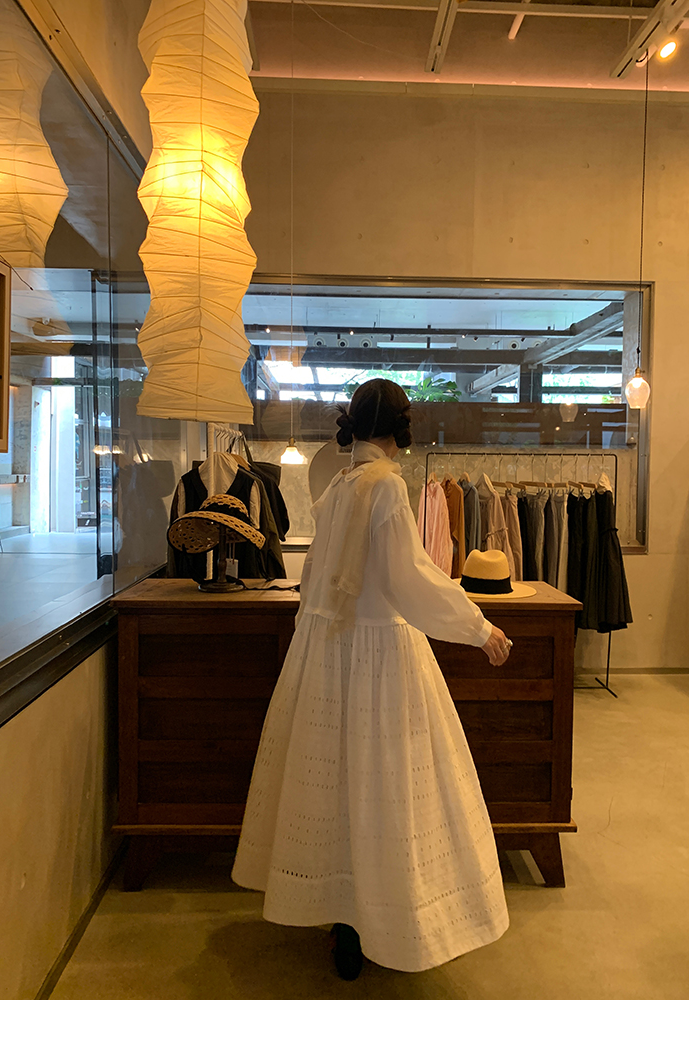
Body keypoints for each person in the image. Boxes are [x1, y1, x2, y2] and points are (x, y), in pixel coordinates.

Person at [231, 379, 511, 980]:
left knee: (334, 784)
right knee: (385, 784)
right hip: (379, 656)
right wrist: (478, 627)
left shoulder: (339, 485)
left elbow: (318, 576)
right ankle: (384, 917)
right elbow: (410, 576)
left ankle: (343, 916)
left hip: (325, 654)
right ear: (402, 428)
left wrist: (316, 630)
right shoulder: (384, 485)